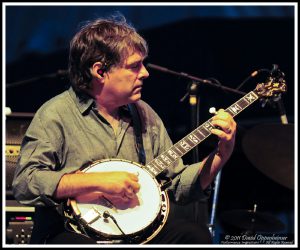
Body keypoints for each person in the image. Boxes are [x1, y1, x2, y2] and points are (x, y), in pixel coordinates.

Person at [12, 14, 236, 245]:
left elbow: (178, 185)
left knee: (194, 236)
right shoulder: (55, 114)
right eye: (134, 66)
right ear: (100, 72)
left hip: (135, 233)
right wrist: (98, 182)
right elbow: (26, 183)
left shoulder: (144, 113)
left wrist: (221, 154)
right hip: (70, 232)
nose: (145, 73)